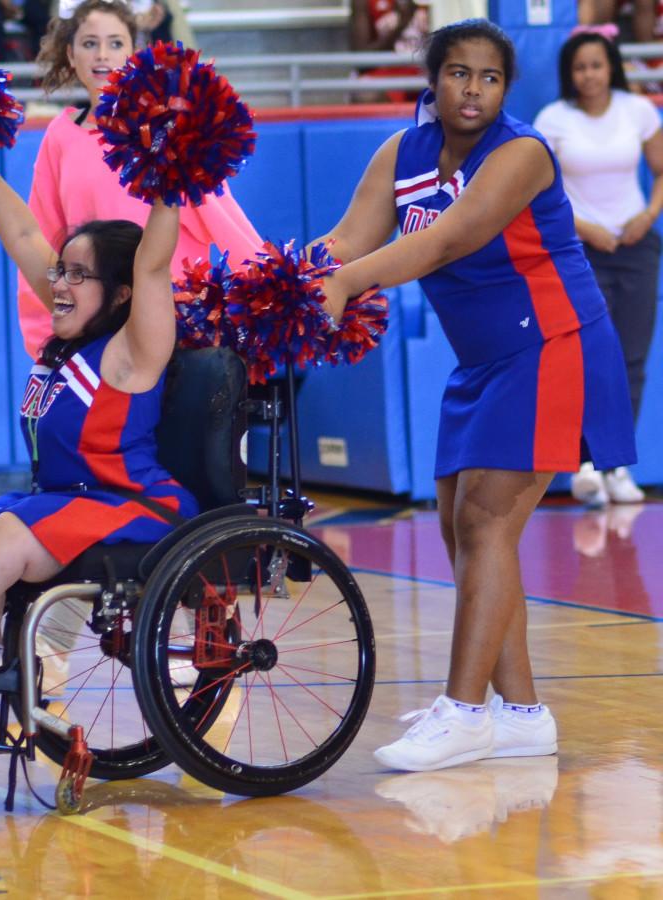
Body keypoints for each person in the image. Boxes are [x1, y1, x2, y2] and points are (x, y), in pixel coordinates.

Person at [316, 18, 636, 772]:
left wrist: (351, 282)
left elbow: (448, 238)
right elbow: (347, 240)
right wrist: (287, 276)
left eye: (489, 77)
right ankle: (521, 715)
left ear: (505, 88)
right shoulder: (403, 152)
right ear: (433, 78)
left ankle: (463, 712)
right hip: (485, 361)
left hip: (553, 344)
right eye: (458, 73)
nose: (473, 89)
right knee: (466, 526)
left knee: (487, 519)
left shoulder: (522, 153)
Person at [0, 163, 195, 699]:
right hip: (74, 501)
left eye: (77, 275)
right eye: (60, 272)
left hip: (137, 504)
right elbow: (24, 234)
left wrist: (175, 175)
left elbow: (152, 266)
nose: (59, 283)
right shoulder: (72, 339)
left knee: (8, 529)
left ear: (120, 294)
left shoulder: (131, 353)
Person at [20, 0, 261, 359]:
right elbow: (41, 241)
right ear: (70, 55)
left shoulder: (164, 129)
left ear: (134, 53)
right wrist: (47, 337)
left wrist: (269, 290)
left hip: (176, 324)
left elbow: (224, 216)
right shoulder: (58, 136)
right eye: (89, 43)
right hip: (97, 334)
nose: (102, 54)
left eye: (116, 43)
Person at [534, 29, 663, 507]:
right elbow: (539, 191)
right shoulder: (552, 119)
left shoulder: (639, 111)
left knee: (632, 361)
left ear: (612, 67)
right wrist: (587, 230)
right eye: (580, 67)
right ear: (569, 72)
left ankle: (617, 468)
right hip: (580, 250)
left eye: (597, 65)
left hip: (635, 247)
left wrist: (648, 217)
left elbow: (661, 171)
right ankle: (585, 461)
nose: (589, 75)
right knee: (587, 360)